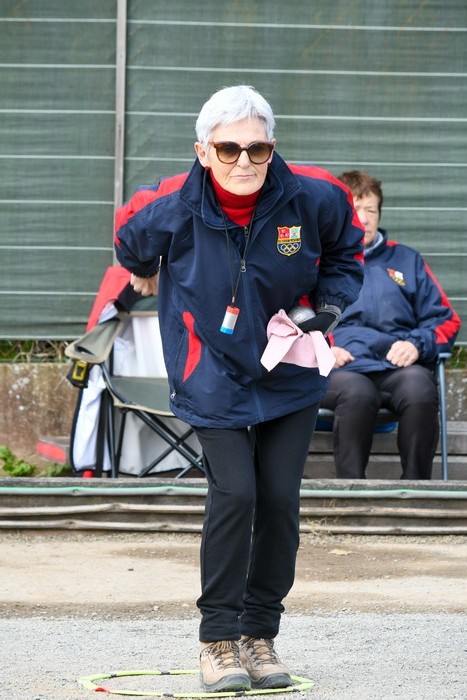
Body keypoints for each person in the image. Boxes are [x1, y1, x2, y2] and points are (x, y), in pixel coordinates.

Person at [114, 85, 364, 692]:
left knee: (278, 500)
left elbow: (346, 254)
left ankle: (259, 635)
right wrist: (142, 269)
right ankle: (218, 642)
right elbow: (128, 240)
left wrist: (325, 311)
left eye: (258, 148)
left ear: (273, 147)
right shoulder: (169, 202)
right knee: (237, 494)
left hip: (289, 364)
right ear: (203, 151)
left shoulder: (316, 194)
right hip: (210, 367)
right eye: (228, 149)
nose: (244, 161)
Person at [320, 170, 461, 480]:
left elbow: (447, 320)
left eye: (371, 210)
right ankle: (352, 492)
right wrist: (321, 349)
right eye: (356, 209)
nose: (364, 219)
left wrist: (416, 345)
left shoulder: (406, 260)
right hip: (340, 368)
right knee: (357, 393)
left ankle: (416, 488)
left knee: (419, 388)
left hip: (395, 366)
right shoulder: (319, 261)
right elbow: (291, 319)